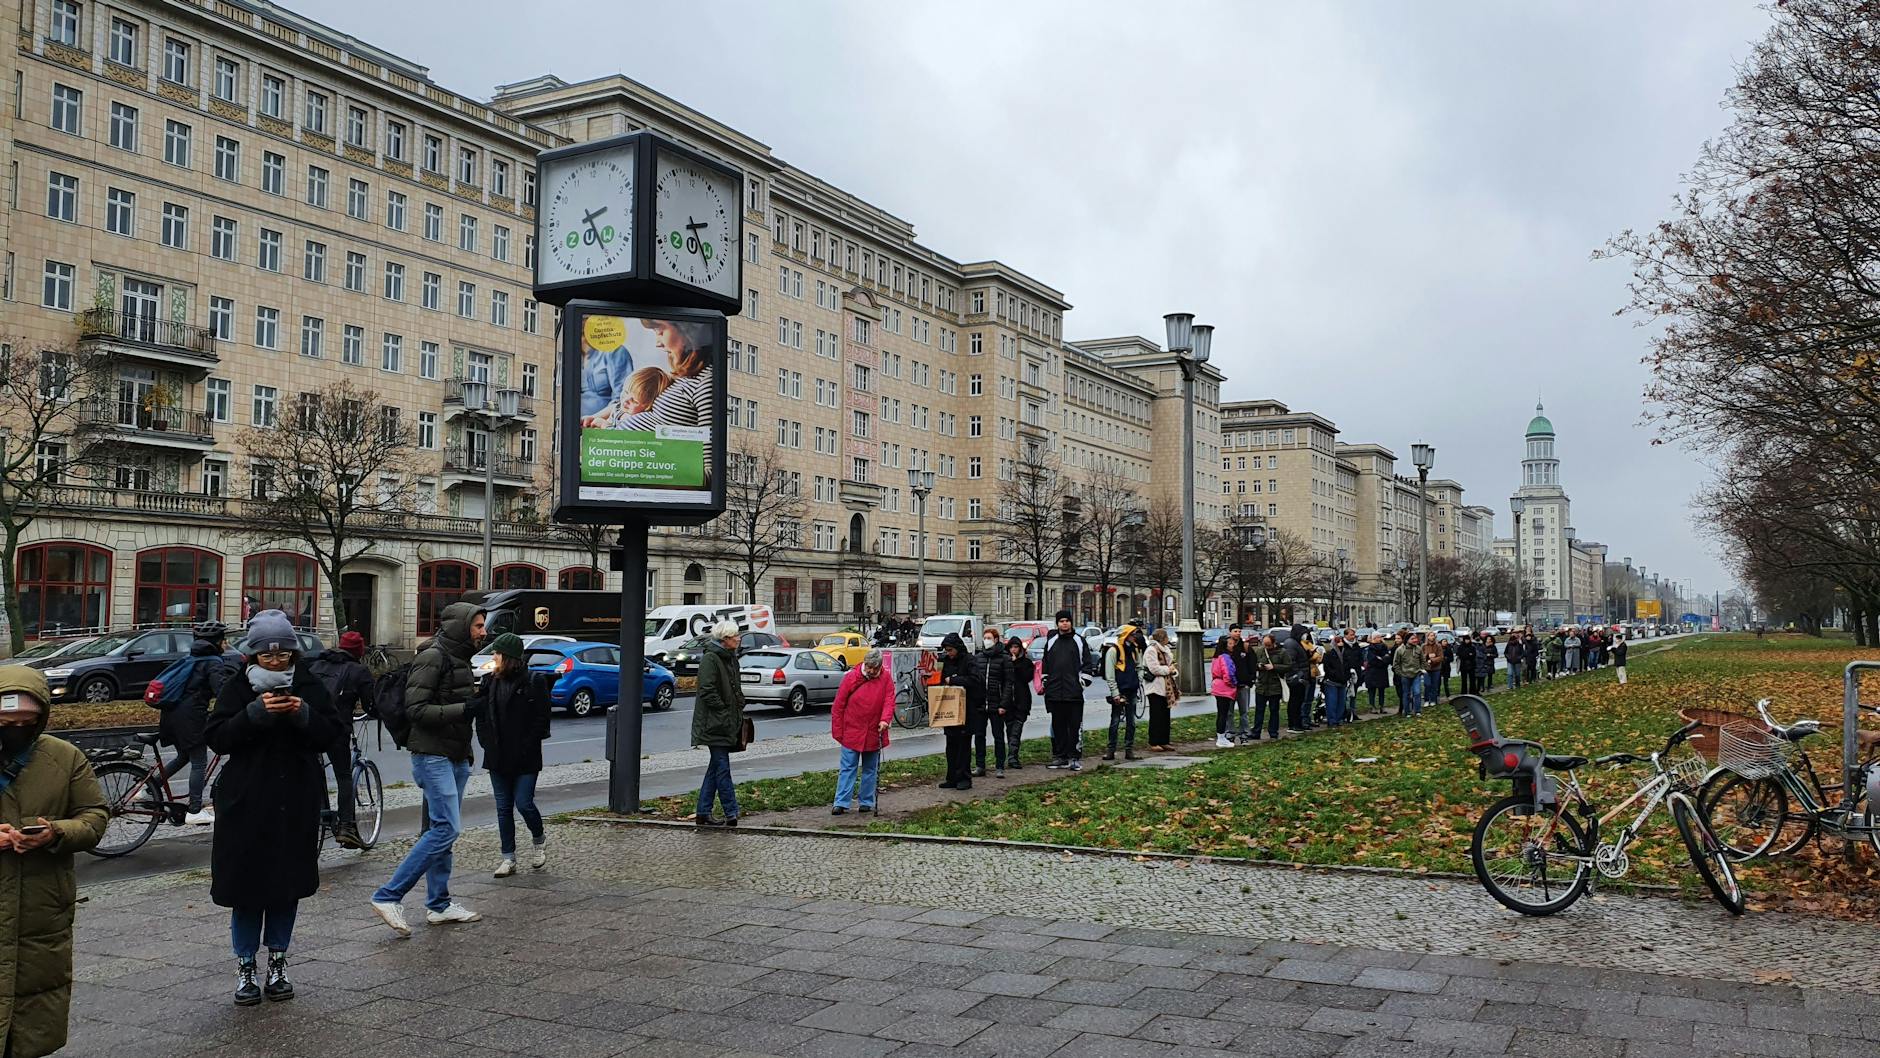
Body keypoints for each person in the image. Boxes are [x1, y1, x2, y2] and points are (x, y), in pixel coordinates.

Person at [206, 610, 344, 1005]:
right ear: (253, 655)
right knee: (246, 889)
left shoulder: (308, 684)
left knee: (287, 887)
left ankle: (279, 961)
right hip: (246, 803)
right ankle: (246, 966)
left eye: (282, 654)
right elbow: (217, 737)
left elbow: (332, 734)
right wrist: (253, 715)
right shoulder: (238, 686)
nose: (275, 661)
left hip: (294, 800)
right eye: (267, 655)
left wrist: (303, 714)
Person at [0, 667, 108, 1054]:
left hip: (42, 907)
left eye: (26, 722)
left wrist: (56, 832)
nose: (16, 730)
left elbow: (94, 816)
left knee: (32, 1016)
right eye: (6, 723)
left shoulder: (64, 757)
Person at [371, 601, 486, 936]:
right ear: (462, 626)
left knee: (438, 830)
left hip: (455, 754)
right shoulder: (433, 656)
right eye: (478, 626)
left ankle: (439, 904)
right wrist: (465, 709)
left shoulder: (460, 657)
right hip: (432, 755)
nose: (484, 632)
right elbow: (416, 709)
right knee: (445, 829)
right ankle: (388, 895)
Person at [469, 633, 551, 877]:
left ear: (509, 657)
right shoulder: (489, 682)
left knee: (524, 803)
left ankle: (538, 840)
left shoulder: (533, 681)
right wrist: (486, 742)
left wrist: (526, 745)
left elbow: (542, 720)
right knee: (503, 808)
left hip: (525, 756)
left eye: (497, 653)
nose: (493, 657)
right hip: (497, 756)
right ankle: (508, 857)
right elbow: (481, 715)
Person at [307, 631, 375, 850]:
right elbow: (370, 704)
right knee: (343, 776)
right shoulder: (359, 671)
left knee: (311, 772)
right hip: (336, 729)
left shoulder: (317, 665)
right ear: (359, 652)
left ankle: (314, 813)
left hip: (308, 725)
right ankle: (346, 826)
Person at [159, 620, 230, 827]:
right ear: (216, 642)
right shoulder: (213, 661)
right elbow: (222, 692)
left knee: (183, 756)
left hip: (171, 714)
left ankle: (149, 788)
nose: (226, 644)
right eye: (224, 640)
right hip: (190, 718)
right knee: (199, 761)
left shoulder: (192, 657)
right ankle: (194, 810)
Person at [691, 620, 747, 825]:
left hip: (725, 721)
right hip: (714, 724)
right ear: (725, 639)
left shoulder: (730, 658)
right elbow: (706, 690)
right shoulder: (711, 658)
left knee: (716, 767)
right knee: (722, 768)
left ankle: (703, 812)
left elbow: (734, 687)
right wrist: (723, 710)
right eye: (735, 636)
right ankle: (731, 811)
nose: (739, 639)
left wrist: (739, 703)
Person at [830, 649, 895, 814]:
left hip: (874, 730)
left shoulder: (886, 678)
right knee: (848, 767)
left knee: (870, 769)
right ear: (864, 664)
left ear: (880, 666)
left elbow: (889, 701)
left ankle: (866, 801)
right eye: (869, 667)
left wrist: (885, 720)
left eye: (875, 668)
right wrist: (838, 731)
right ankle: (841, 802)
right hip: (852, 730)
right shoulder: (851, 677)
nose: (871, 671)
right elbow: (838, 705)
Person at [1042, 611, 1090, 770]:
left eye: (1067, 620)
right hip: (1055, 693)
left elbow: (1087, 664)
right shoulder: (1051, 642)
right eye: (1061, 621)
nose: (1064, 623)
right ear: (1057, 623)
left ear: (1071, 622)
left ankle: (1074, 757)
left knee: (1074, 727)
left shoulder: (1079, 641)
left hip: (1074, 693)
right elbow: (1045, 664)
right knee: (1058, 726)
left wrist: (1082, 683)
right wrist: (1046, 681)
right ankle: (1061, 757)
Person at [937, 632, 984, 789]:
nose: (949, 653)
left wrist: (954, 680)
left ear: (957, 648)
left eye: (951, 650)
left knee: (963, 746)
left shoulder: (969, 660)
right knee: (951, 745)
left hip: (967, 709)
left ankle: (964, 777)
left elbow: (976, 680)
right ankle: (951, 777)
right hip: (950, 708)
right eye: (947, 651)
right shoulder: (946, 661)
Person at [1102, 626, 1143, 761]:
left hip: (1132, 690)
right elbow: (1110, 674)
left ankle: (1129, 750)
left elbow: (1140, 666)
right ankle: (1111, 750)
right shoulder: (1114, 650)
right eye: (1133, 634)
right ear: (1126, 635)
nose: (1135, 636)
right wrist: (1115, 693)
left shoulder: (1134, 650)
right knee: (1115, 721)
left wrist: (1138, 680)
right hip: (1119, 692)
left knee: (1131, 722)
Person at [973, 629, 1006, 777]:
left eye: (989, 638)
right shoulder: (978, 658)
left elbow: (1008, 683)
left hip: (996, 703)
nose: (986, 640)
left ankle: (1000, 766)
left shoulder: (1004, 658)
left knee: (998, 736)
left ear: (996, 639)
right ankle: (980, 765)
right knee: (979, 735)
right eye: (985, 637)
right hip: (980, 704)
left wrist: (1003, 704)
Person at [1000, 636, 1035, 767]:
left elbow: (1026, 677)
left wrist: (1016, 665)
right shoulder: (1004, 662)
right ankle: (1012, 756)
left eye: (1016, 647)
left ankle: (1013, 757)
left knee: (1016, 730)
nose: (1013, 650)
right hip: (1008, 702)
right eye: (1011, 647)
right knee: (1010, 729)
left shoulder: (1026, 662)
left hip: (1022, 701)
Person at [1142, 628, 1176, 750]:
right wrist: (1168, 670)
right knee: (1156, 715)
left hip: (1166, 687)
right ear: (1162, 638)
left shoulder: (1165, 649)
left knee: (1165, 715)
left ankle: (1164, 740)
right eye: (1166, 636)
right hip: (1155, 687)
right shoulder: (1151, 650)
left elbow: (1170, 665)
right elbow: (1154, 669)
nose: (1168, 639)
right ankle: (1154, 741)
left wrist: (1172, 670)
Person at [1252, 633, 1285, 740]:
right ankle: (1256, 732)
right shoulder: (1259, 651)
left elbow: (1288, 666)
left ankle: (1273, 732)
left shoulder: (1282, 652)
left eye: (1269, 645)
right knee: (1259, 710)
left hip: (1275, 686)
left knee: (1274, 710)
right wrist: (1259, 666)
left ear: (1274, 643)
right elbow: (1253, 664)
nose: (1266, 647)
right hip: (1262, 685)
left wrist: (1274, 667)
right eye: (1265, 645)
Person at [1284, 625, 1314, 731]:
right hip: (1296, 678)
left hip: (1301, 676)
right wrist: (1298, 674)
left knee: (1299, 701)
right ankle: (1294, 724)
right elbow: (1291, 661)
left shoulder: (1297, 643)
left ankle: (1298, 723)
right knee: (1295, 702)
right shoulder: (1291, 644)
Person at [1209, 639, 1238, 748]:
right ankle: (1221, 738)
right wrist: (1233, 683)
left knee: (1221, 713)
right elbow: (1228, 673)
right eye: (1230, 644)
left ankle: (1221, 736)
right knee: (1223, 714)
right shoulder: (1225, 657)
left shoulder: (1216, 657)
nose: (1232, 646)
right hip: (1224, 688)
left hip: (1217, 685)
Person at [1228, 629, 1255, 742]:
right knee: (1229, 712)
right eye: (1235, 631)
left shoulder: (1245, 647)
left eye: (1239, 631)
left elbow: (1252, 663)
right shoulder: (1226, 648)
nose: (1238, 633)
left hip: (1243, 684)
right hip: (1229, 686)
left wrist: (1250, 679)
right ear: (1230, 632)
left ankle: (1244, 732)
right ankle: (1230, 732)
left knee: (1244, 711)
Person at [1321, 629, 1351, 727]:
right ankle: (1332, 721)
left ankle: (1339, 719)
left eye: (1341, 642)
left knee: (1341, 702)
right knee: (1332, 702)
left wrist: (1346, 676)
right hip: (1331, 682)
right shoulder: (1329, 654)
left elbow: (1348, 666)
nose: (1340, 644)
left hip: (1342, 681)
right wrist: (1336, 675)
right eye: (1338, 642)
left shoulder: (1345, 654)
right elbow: (1327, 669)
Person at [1393, 632, 1425, 716]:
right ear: (1407, 640)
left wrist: (1422, 669)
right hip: (1405, 675)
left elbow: (1423, 660)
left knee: (1417, 692)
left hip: (1416, 674)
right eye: (1412, 639)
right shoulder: (1400, 650)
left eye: (1415, 638)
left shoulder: (1418, 649)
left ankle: (1417, 711)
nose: (1415, 640)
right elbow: (1396, 664)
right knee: (1406, 694)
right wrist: (1400, 673)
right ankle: (1407, 712)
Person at [1362, 633, 1392, 714]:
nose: (1379, 638)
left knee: (1382, 690)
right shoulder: (1370, 648)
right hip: (1372, 672)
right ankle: (1372, 706)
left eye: (1380, 637)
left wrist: (1381, 659)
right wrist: (1381, 659)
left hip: (1382, 671)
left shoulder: (1384, 647)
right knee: (1372, 690)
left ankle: (1382, 705)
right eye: (1377, 637)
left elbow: (1387, 658)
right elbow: (1372, 660)